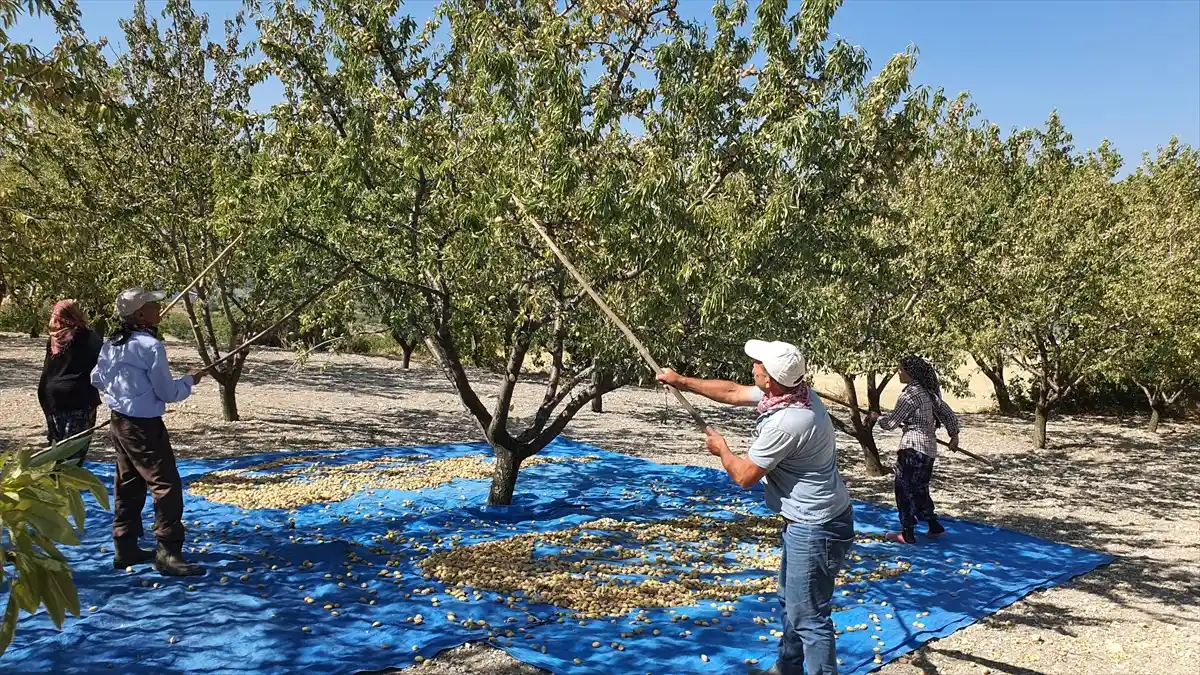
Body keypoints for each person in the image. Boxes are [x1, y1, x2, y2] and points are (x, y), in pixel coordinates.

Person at [658, 340, 854, 675]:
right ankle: (788, 668)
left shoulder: (789, 422)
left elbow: (744, 475)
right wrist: (681, 381)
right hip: (811, 520)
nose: (753, 367)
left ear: (771, 378)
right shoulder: (793, 393)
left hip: (815, 527)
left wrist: (721, 449)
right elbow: (734, 392)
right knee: (792, 602)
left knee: (808, 617)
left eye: (758, 364)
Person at [91, 287, 205, 576]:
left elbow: (97, 378)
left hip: (119, 421)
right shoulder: (150, 346)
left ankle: (125, 545)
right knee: (165, 484)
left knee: (128, 480)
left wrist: (124, 393)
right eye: (153, 305)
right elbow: (167, 392)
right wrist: (190, 380)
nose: (159, 308)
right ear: (140, 313)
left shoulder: (112, 342)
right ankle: (168, 551)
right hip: (143, 426)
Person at [869, 355, 960, 545]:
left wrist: (877, 418)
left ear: (911, 372)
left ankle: (907, 533)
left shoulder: (909, 396)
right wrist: (954, 435)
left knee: (904, 489)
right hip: (928, 449)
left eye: (901, 369)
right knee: (920, 488)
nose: (898, 372)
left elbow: (891, 424)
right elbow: (947, 413)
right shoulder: (929, 393)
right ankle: (934, 526)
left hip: (912, 448)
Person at [37, 300, 103, 466]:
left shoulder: (54, 338)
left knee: (56, 447)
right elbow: (104, 362)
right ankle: (66, 487)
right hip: (77, 398)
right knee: (73, 450)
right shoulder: (87, 336)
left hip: (49, 396)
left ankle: (53, 483)